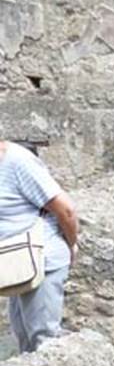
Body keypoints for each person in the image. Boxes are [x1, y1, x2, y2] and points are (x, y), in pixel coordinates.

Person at [0, 140, 79, 353]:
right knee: (25, 341)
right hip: (14, 262)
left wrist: (71, 244)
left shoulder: (18, 162)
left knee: (45, 343)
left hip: (42, 259)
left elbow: (66, 210)